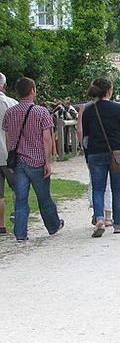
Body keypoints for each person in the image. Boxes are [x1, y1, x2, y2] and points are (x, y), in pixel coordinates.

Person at [2, 77, 64, 241]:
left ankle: (20, 233)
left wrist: (11, 155)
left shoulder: (10, 113)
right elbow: (47, 139)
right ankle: (53, 225)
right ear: (32, 91)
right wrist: (48, 161)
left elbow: (8, 139)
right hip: (37, 160)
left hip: (18, 162)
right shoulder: (41, 112)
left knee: (21, 199)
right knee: (44, 196)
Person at [80, 76, 120, 237]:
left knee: (98, 188)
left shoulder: (88, 110)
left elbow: (86, 139)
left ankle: (99, 218)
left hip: (95, 153)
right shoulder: (118, 109)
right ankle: (118, 225)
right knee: (117, 189)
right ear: (109, 90)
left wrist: (87, 156)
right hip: (117, 153)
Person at [0, 71, 18, 234]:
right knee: (17, 187)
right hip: (9, 153)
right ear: (4, 86)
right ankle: (16, 214)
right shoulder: (12, 103)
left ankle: (1, 225)